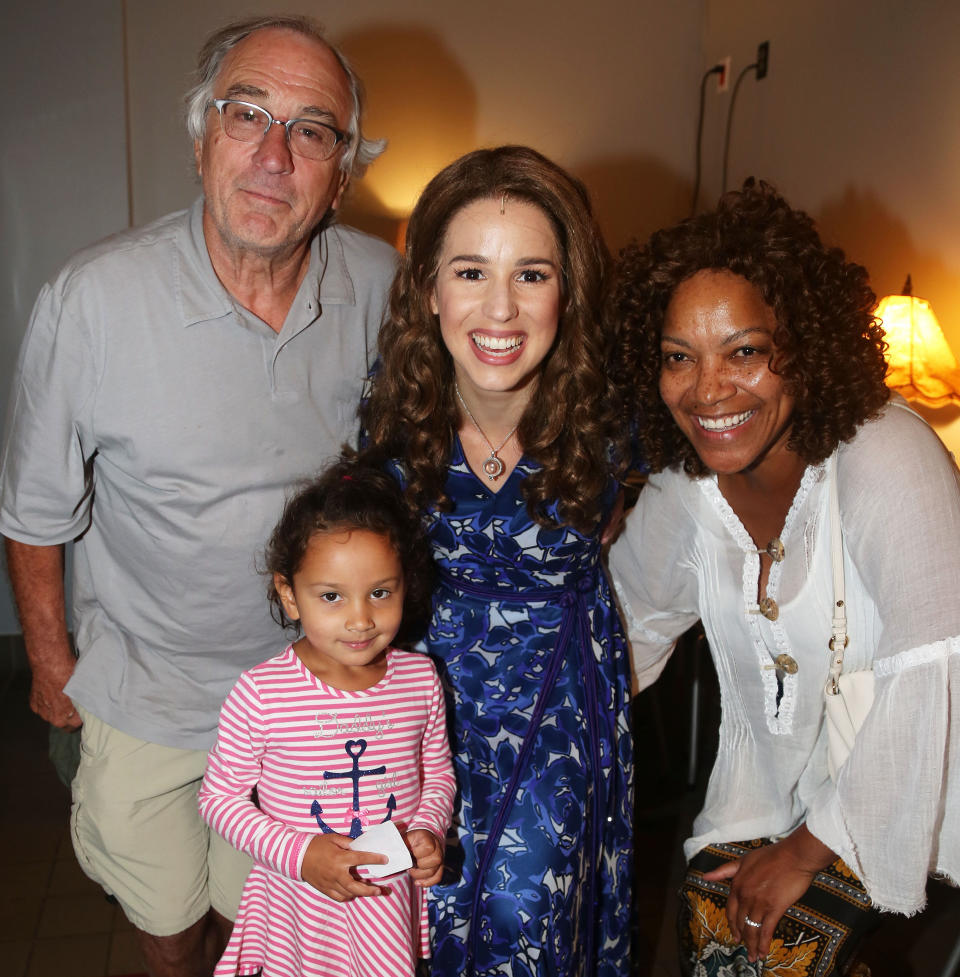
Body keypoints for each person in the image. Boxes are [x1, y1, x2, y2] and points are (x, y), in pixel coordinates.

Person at [0, 15, 396, 976]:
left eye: (310, 129)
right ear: (199, 136)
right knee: (169, 922)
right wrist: (51, 666)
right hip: (149, 694)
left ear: (341, 171)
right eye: (246, 113)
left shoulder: (385, 284)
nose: (272, 155)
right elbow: (34, 509)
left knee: (275, 924)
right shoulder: (91, 300)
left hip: (306, 691)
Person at [608, 179, 960, 973]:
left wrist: (804, 848)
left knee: (786, 949)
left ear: (804, 346)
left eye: (746, 351)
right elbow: (618, 632)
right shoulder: (683, 489)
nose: (706, 390)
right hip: (758, 798)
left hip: (920, 798)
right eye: (678, 357)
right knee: (708, 923)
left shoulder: (886, 456)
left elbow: (935, 676)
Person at [361, 145, 633, 976]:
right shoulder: (387, 415)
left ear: (569, 289)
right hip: (415, 718)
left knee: (530, 922)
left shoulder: (617, 422)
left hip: (556, 723)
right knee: (411, 924)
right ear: (431, 289)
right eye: (472, 271)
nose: (502, 309)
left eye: (534, 274)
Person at [199, 459, 456, 977]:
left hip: (385, 898)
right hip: (301, 906)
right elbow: (219, 800)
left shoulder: (421, 678)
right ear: (289, 594)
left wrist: (428, 829)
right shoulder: (262, 694)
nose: (361, 618)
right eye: (332, 596)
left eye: (380, 592)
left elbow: (438, 776)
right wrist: (300, 854)